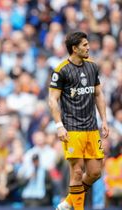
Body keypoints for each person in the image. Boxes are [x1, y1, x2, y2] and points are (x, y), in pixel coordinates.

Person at [48, 31, 109, 210]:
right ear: (74, 49)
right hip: (72, 128)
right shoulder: (61, 71)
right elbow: (52, 100)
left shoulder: (92, 67)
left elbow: (98, 93)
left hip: (92, 128)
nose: (88, 47)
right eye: (84, 45)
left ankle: (68, 202)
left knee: (95, 172)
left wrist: (104, 120)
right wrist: (59, 125)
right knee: (76, 171)